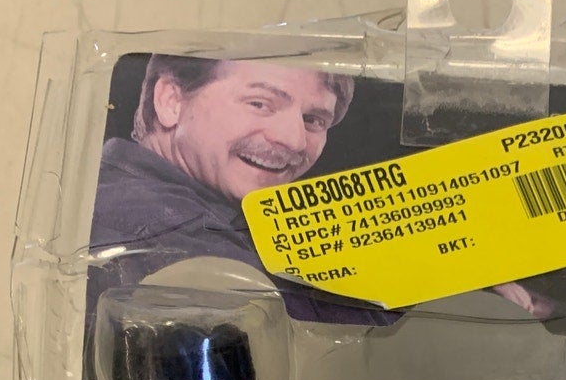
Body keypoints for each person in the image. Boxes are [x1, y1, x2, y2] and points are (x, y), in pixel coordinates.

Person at [88, 55, 397, 328]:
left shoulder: (124, 191)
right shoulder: (166, 230)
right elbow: (333, 347)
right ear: (171, 101)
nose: (294, 140)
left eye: (312, 120)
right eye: (259, 104)